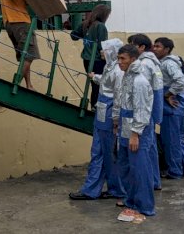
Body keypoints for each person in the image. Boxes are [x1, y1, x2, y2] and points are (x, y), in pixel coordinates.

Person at [69, 38, 125, 201]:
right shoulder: (110, 66)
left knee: (107, 152)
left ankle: (105, 189)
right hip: (102, 111)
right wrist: (95, 77)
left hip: (108, 113)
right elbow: (107, 83)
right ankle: (106, 189)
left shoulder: (118, 71)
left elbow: (118, 96)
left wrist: (115, 118)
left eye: (104, 49)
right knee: (101, 151)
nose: (101, 52)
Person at [112, 44, 154, 223]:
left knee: (139, 169)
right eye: (118, 58)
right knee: (125, 166)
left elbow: (142, 109)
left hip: (137, 129)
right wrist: (117, 121)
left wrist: (135, 133)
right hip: (125, 126)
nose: (119, 62)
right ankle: (131, 201)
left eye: (123, 59)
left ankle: (144, 206)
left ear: (133, 59)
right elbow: (122, 100)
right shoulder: (126, 76)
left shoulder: (140, 81)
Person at [152, 37, 184, 179]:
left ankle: (175, 171)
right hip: (174, 107)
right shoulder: (164, 62)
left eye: (158, 46)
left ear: (166, 50)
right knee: (178, 141)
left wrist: (167, 94)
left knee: (171, 141)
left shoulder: (168, 64)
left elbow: (180, 81)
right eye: (154, 46)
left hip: (172, 108)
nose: (154, 48)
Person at [128, 33, 163, 190]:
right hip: (152, 111)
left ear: (141, 47)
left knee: (144, 150)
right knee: (151, 148)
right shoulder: (153, 63)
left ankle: (148, 183)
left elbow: (143, 92)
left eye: (132, 45)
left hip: (144, 111)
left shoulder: (143, 65)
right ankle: (154, 181)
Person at [0, 0, 39, 89]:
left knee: (24, 56)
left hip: (10, 23)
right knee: (30, 54)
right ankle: (15, 84)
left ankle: (28, 84)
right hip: (20, 22)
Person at [70, 4, 110, 109]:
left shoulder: (85, 23)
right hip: (97, 59)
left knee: (94, 84)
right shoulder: (101, 26)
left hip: (86, 59)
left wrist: (86, 36)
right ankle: (96, 107)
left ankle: (93, 106)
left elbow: (73, 36)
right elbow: (103, 45)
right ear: (104, 15)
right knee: (99, 84)